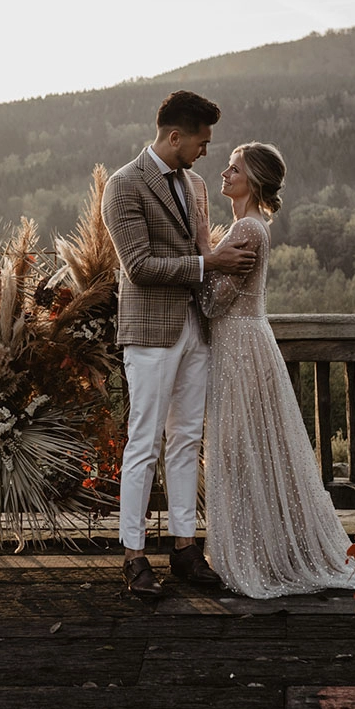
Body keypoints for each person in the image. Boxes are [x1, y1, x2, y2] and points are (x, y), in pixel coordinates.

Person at [196, 142, 355, 598]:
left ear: (254, 180)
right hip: (246, 341)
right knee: (252, 448)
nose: (224, 172)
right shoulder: (252, 225)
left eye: (234, 168)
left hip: (239, 346)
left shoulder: (246, 228)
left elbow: (212, 301)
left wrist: (202, 252)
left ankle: (255, 555)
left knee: (241, 449)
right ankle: (256, 547)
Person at [101, 91, 255, 597]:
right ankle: (133, 556)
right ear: (174, 136)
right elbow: (140, 267)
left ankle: (186, 549)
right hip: (149, 333)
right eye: (201, 141)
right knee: (144, 443)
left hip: (196, 328)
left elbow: (203, 250)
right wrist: (210, 264)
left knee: (188, 440)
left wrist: (219, 267)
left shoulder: (196, 184)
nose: (206, 151)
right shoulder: (123, 186)